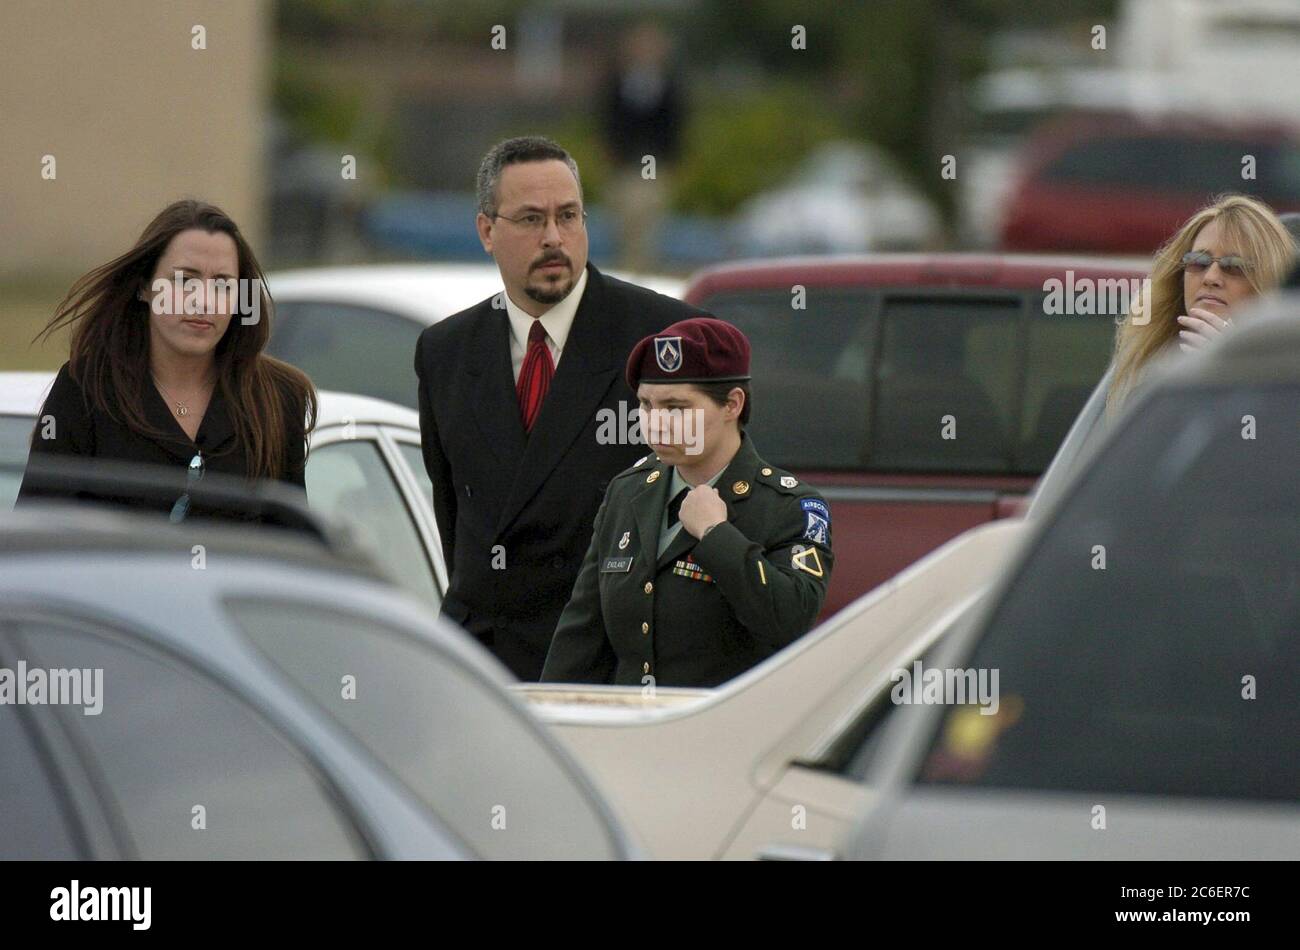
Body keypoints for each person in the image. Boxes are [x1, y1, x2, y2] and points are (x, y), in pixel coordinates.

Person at [415, 136, 706, 681]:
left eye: (567, 216)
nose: (554, 238)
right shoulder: (445, 351)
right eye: (530, 219)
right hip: (489, 669)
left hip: (612, 669)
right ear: (486, 231)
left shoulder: (665, 339)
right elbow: (457, 522)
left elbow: (706, 507)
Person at [541, 317, 834, 688]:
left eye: (676, 408)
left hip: (724, 734)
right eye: (646, 405)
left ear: (732, 404)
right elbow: (583, 633)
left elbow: (789, 621)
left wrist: (716, 534)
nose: (656, 423)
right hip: (630, 731)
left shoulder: (788, 506)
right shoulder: (629, 491)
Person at [18, 199, 315, 517]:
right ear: (144, 287)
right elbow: (39, 534)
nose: (203, 302)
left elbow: (293, 548)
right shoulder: (86, 388)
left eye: (222, 285)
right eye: (184, 280)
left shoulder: (279, 398)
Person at [1107, 194, 1293, 412]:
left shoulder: (1287, 383)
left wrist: (1234, 367)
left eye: (1234, 266)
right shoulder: (1148, 375)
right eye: (1198, 262)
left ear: (1269, 283)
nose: (1211, 278)